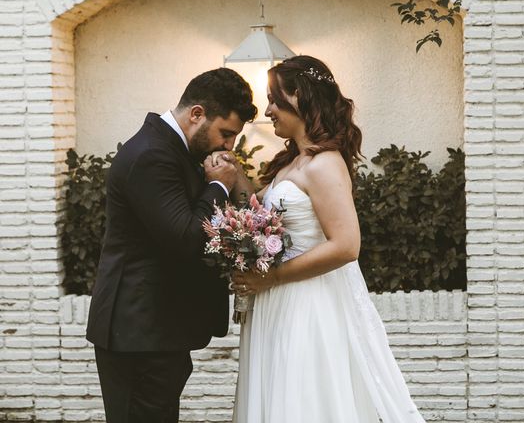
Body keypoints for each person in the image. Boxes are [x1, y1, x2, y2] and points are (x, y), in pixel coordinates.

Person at [227, 55, 426, 422]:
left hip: (306, 302)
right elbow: (265, 214)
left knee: (303, 398)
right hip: (276, 300)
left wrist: (270, 277)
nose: (268, 110)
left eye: (274, 98)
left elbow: (346, 245)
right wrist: (234, 176)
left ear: (299, 96)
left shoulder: (325, 163)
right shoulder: (291, 162)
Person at [85, 68, 256, 422]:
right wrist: (218, 187)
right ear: (196, 114)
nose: (228, 146)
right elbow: (185, 237)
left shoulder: (174, 150)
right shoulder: (151, 155)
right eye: (226, 133)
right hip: (138, 333)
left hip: (158, 331)